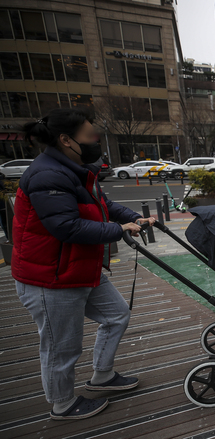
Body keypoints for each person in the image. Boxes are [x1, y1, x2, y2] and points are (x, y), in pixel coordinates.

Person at [13, 109, 155, 420]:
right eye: (90, 136)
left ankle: (102, 376)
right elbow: (66, 227)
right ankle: (62, 404)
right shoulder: (47, 175)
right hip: (50, 277)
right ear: (66, 140)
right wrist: (119, 230)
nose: (96, 142)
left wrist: (132, 218)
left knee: (117, 316)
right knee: (61, 347)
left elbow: (103, 206)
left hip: (79, 268)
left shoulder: (76, 169)